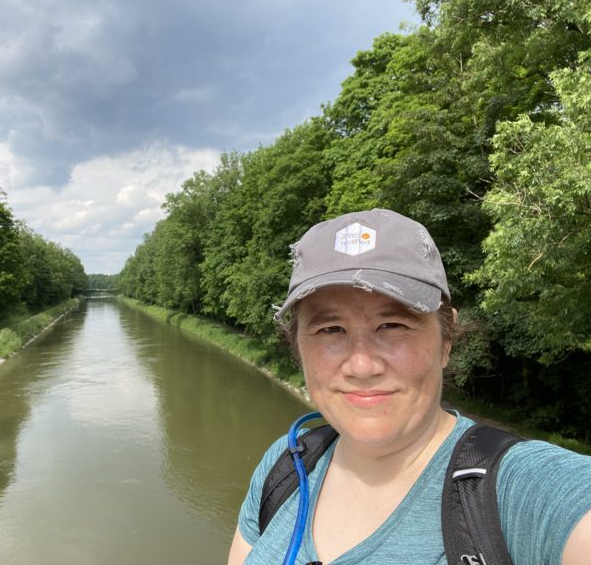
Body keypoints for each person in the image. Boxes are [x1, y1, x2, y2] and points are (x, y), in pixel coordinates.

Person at [227, 208, 591, 565]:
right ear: (298, 346)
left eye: (393, 325)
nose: (362, 365)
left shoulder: (521, 490)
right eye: (330, 329)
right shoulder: (287, 465)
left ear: (446, 338)